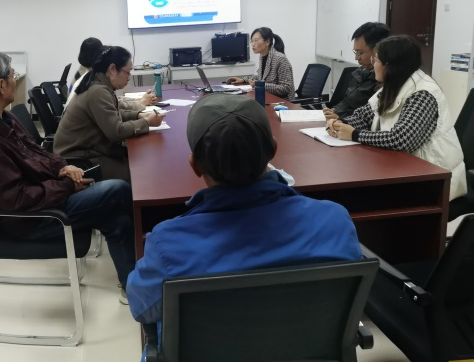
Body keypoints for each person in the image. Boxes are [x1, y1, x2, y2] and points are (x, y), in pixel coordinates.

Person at [126, 95, 362, 348]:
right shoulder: (334, 221)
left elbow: (141, 308)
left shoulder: (168, 245)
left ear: (195, 165)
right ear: (273, 150)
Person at [0, 50, 137, 301]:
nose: (14, 79)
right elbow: (16, 199)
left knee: (117, 219)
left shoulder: (1, 117)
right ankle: (142, 279)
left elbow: (36, 150)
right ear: (1, 85)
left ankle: (133, 286)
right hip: (32, 219)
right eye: (12, 75)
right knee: (118, 190)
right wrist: (66, 186)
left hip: (45, 195)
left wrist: (62, 167)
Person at [326, 35, 467, 200]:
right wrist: (340, 124)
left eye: (375, 61)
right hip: (403, 170)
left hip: (433, 180)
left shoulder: (423, 93)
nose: (373, 65)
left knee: (353, 195)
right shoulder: (393, 86)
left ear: (390, 65)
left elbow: (402, 140)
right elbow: (364, 116)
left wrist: (354, 134)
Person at [53, 46, 163, 182]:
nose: (129, 78)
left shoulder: (99, 83)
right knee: (139, 175)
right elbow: (116, 132)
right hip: (79, 160)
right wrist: (147, 122)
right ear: (112, 69)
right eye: (127, 72)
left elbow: (110, 113)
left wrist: (138, 115)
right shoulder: (98, 91)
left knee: (138, 161)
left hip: (91, 150)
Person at [324, 22, 390, 120]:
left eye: (361, 53)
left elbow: (371, 116)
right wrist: (334, 111)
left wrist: (342, 119)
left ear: (378, 50)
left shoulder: (384, 80)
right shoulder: (361, 71)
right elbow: (347, 101)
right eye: (356, 52)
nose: (356, 58)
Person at [66, 39, 155, 108]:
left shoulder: (88, 73)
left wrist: (139, 100)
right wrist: (141, 103)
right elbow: (112, 106)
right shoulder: (92, 79)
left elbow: (113, 101)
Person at [226, 27, 295, 98]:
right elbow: (260, 77)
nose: (253, 44)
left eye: (256, 40)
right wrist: (243, 80)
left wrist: (260, 85)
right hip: (268, 96)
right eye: (252, 41)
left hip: (282, 101)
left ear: (267, 42)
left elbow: (286, 88)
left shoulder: (280, 59)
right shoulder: (262, 56)